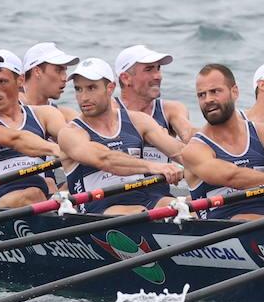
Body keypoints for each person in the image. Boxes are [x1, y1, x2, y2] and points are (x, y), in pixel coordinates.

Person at [58, 58, 185, 214]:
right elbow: (105, 160)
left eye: (91, 88)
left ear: (110, 88)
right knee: (140, 212)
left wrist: (203, 164)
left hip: (143, 196)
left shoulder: (138, 120)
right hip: (100, 206)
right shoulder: (71, 133)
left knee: (185, 207)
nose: (83, 97)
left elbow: (180, 152)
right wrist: (154, 166)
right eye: (78, 89)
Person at [181, 63, 264, 220]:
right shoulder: (194, 150)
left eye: (215, 91)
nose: (208, 100)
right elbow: (230, 176)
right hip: (221, 227)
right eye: (202, 95)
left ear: (235, 92)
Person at [0, 50, 66, 208]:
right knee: (33, 194)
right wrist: (57, 149)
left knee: (62, 188)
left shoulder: (45, 114)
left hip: (39, 194)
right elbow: (16, 139)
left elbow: (70, 137)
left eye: (2, 82)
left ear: (20, 80)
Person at [115, 44, 196, 163]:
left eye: (158, 68)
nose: (158, 76)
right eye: (149, 69)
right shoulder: (110, 111)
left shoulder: (171, 110)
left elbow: (189, 135)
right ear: (126, 78)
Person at [22, 42, 78, 108]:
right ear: (37, 71)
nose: (65, 78)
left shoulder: (61, 113)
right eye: (58, 70)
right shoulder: (12, 109)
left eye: (64, 71)